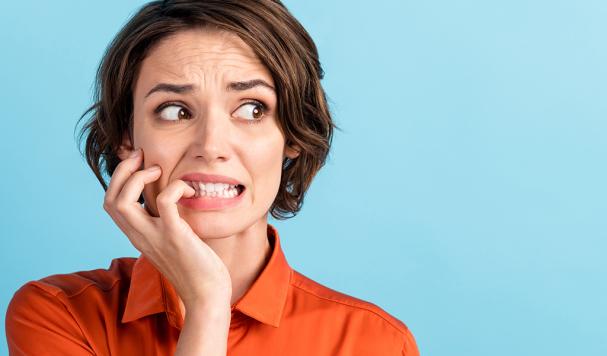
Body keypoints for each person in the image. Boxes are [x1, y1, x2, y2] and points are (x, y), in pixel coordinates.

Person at [5, 1, 419, 355]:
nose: (211, 145)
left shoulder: (374, 342)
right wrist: (206, 305)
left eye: (252, 109)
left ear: (292, 134)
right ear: (127, 139)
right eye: (175, 111)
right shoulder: (59, 315)